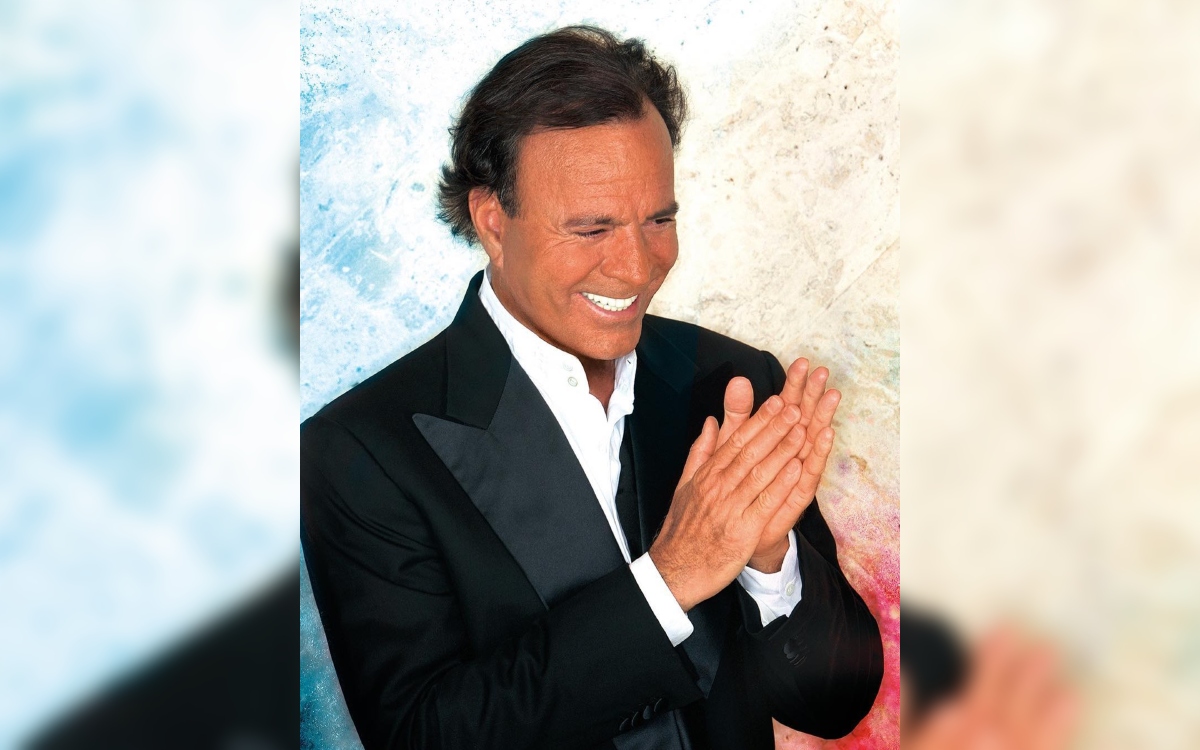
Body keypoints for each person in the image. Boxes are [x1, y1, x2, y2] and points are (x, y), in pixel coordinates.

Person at [300, 25, 883, 750]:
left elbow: (834, 704)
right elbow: (425, 736)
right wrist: (671, 578)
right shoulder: (359, 451)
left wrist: (772, 564)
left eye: (659, 220)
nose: (637, 267)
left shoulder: (734, 383)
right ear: (493, 221)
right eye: (591, 229)